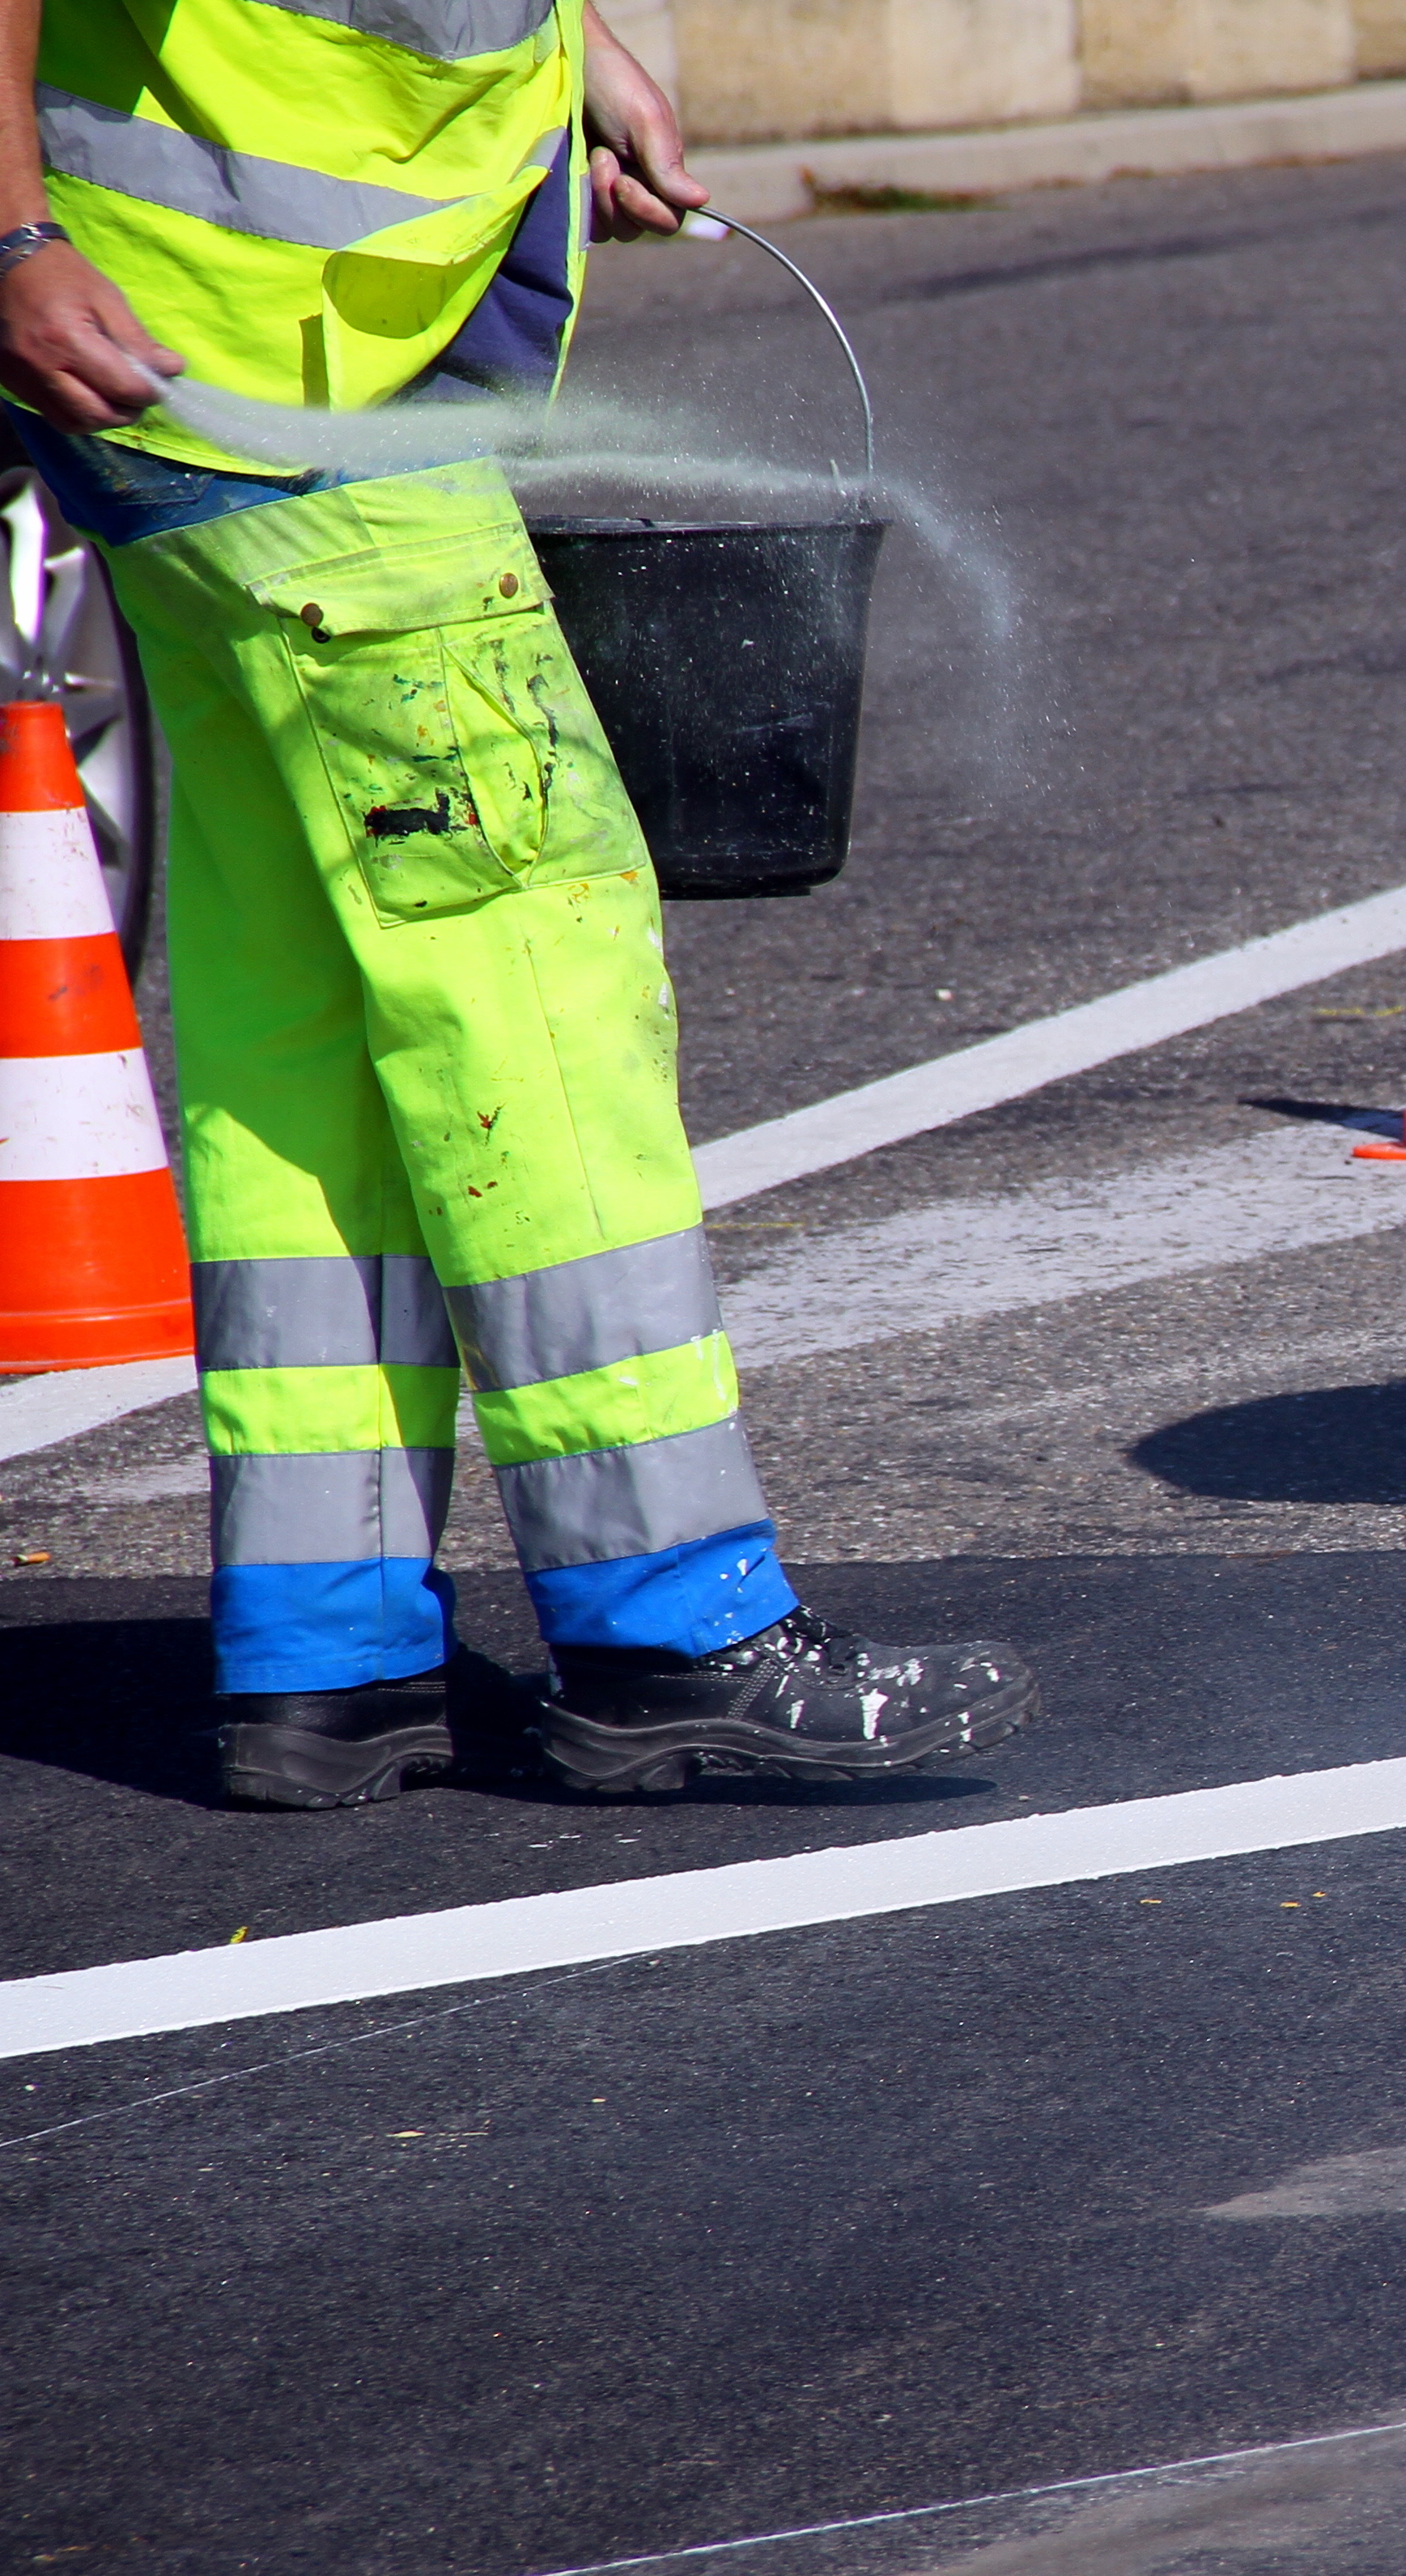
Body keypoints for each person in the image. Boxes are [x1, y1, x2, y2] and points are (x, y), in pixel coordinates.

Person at [0, 0, 1034, 1806]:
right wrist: (3, 232)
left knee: (311, 989)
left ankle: (326, 1653)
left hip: (212, 362)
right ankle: (669, 1625)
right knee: (531, 947)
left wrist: (573, 50)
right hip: (249, 368)